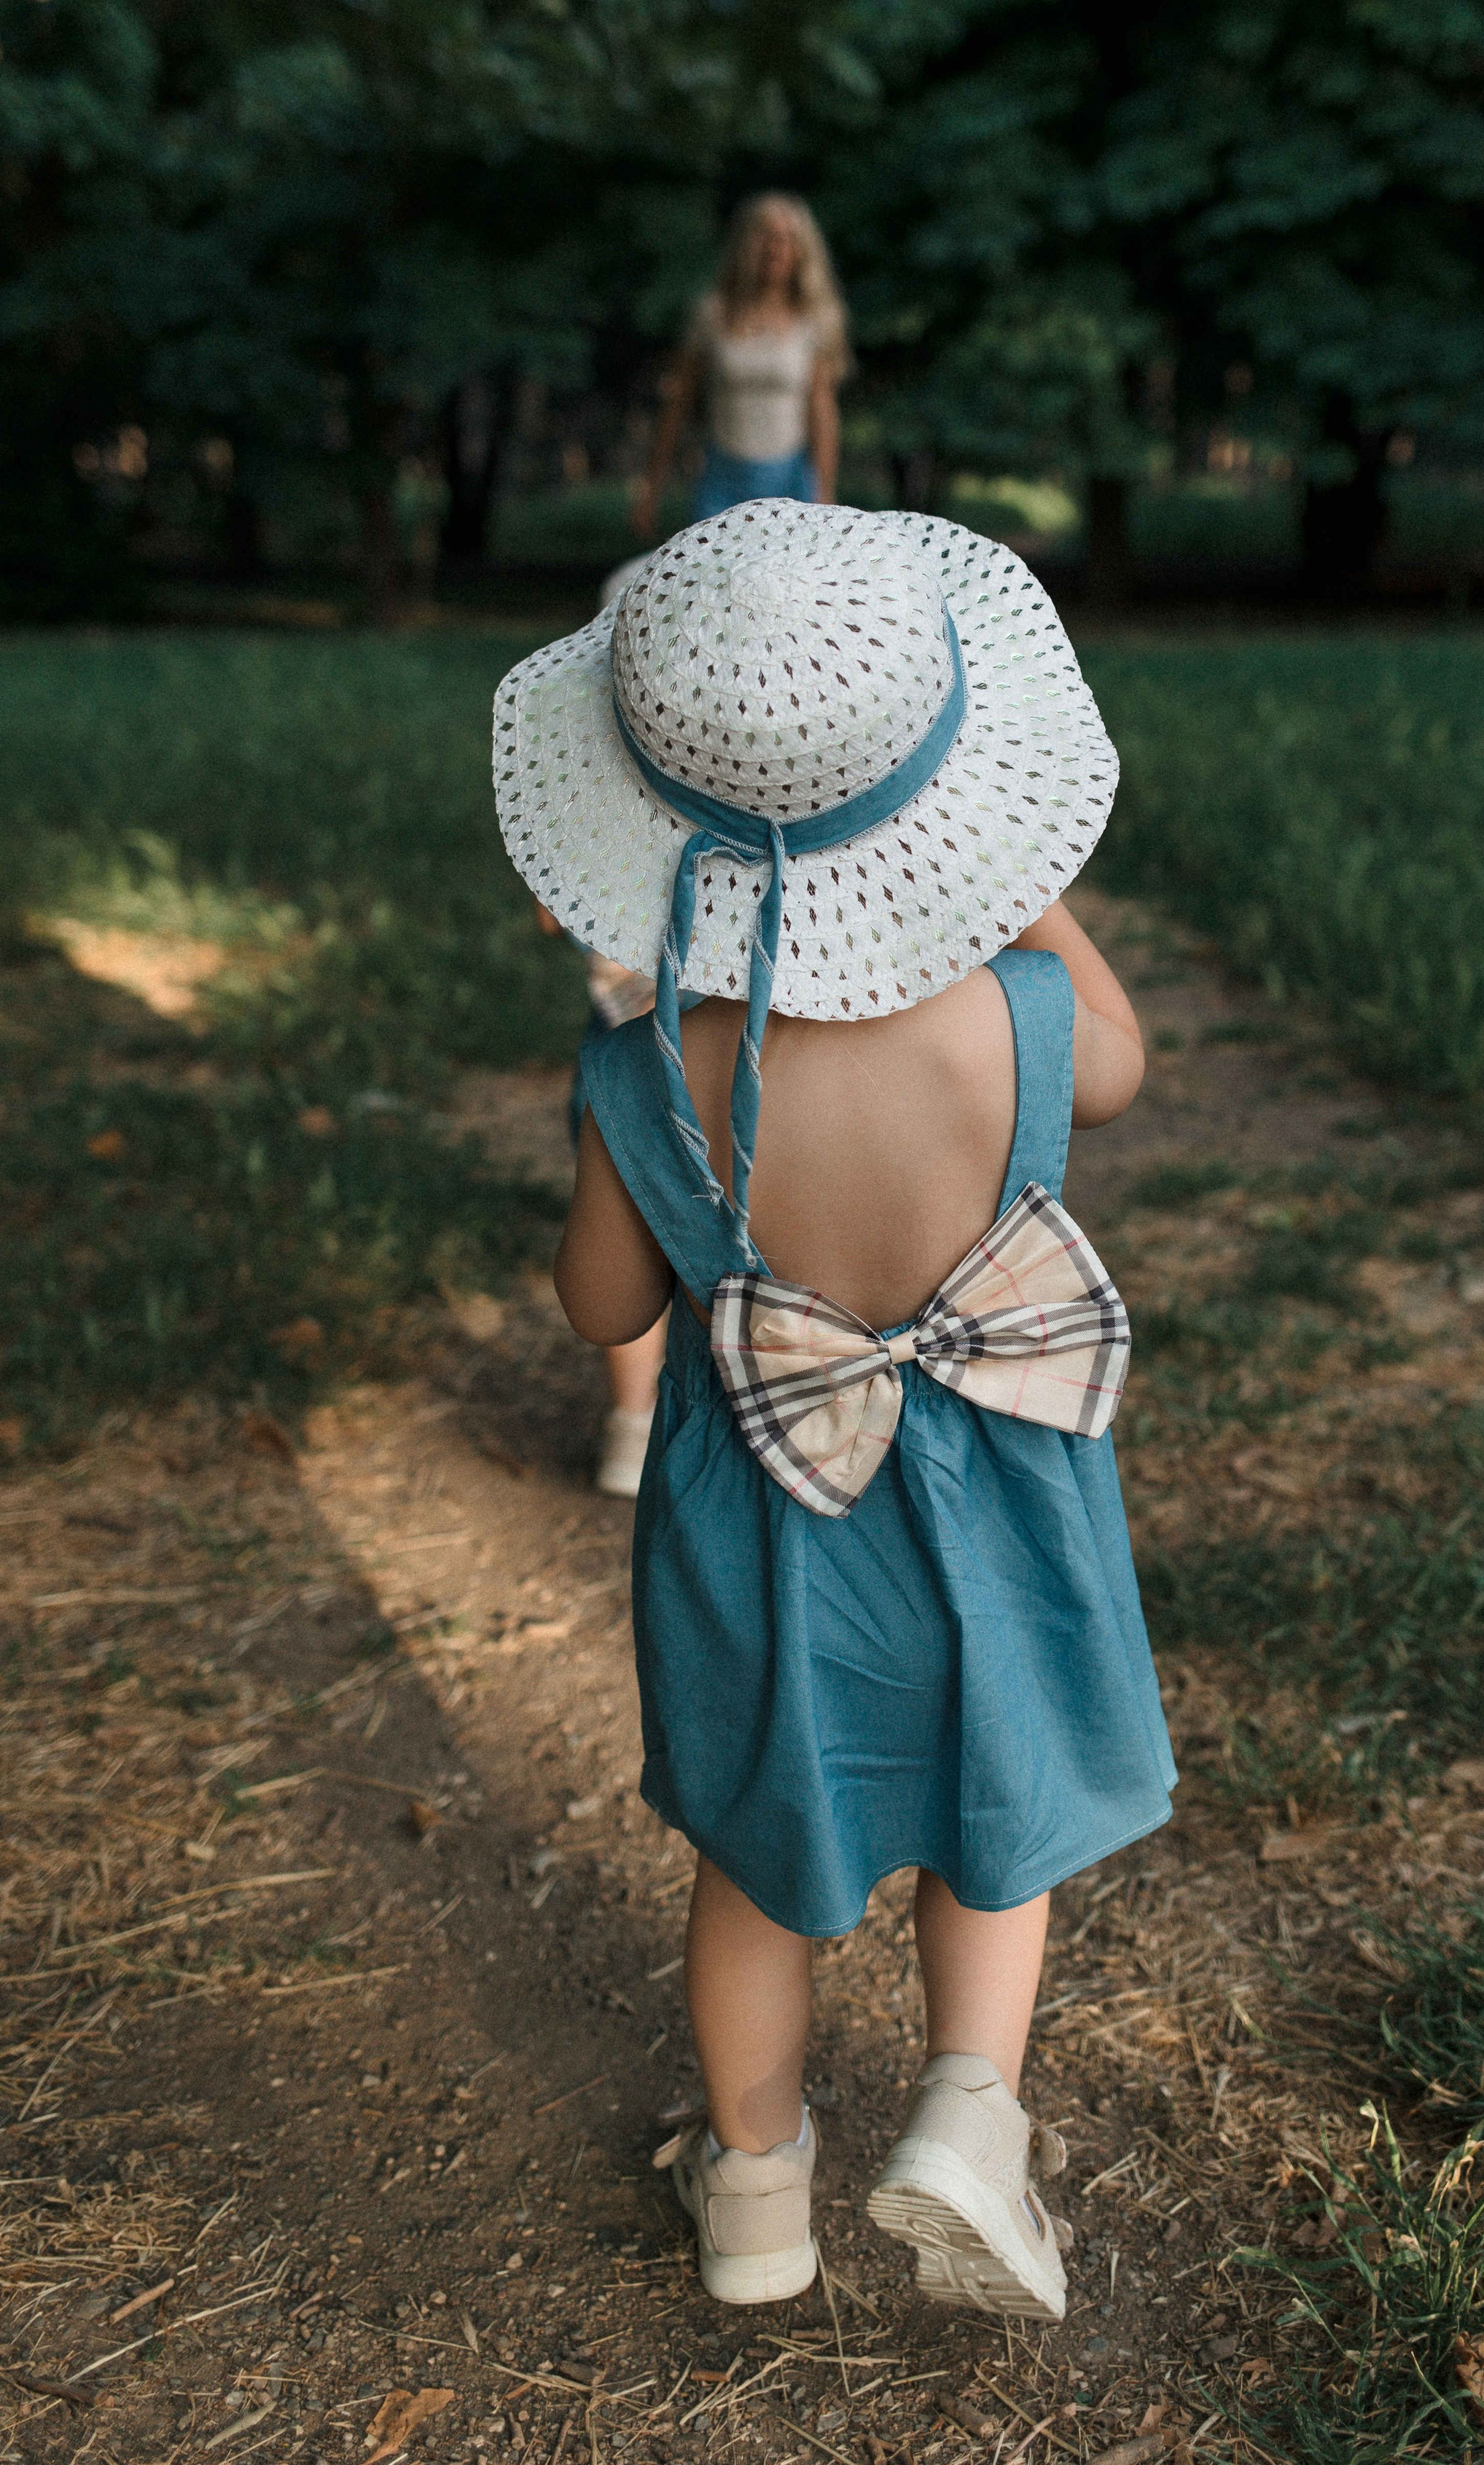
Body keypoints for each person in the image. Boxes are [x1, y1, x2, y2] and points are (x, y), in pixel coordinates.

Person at [491, 499, 1175, 2321]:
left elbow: (604, 1304)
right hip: (1001, 1497)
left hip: (766, 1516)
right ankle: (965, 2107)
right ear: (949, 817)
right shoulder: (1019, 1014)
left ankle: (758, 2192)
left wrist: (615, 1140)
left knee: (758, 1864)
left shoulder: (655, 1064)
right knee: (994, 1819)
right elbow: (1117, 1068)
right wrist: (1020, 888)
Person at [532, 906, 670, 1497]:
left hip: (626, 1061)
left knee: (631, 1241)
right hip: (750, 1053)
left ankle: (632, 1428)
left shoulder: (619, 824)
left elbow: (551, 906)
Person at [630, 195, 848, 537]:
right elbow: (678, 403)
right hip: (722, 478)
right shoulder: (711, 314)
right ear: (746, 243)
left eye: (787, 239)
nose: (775, 248)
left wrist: (826, 493)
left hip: (790, 480)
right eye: (765, 236)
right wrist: (651, 489)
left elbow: (822, 411)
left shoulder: (815, 320)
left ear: (801, 250)